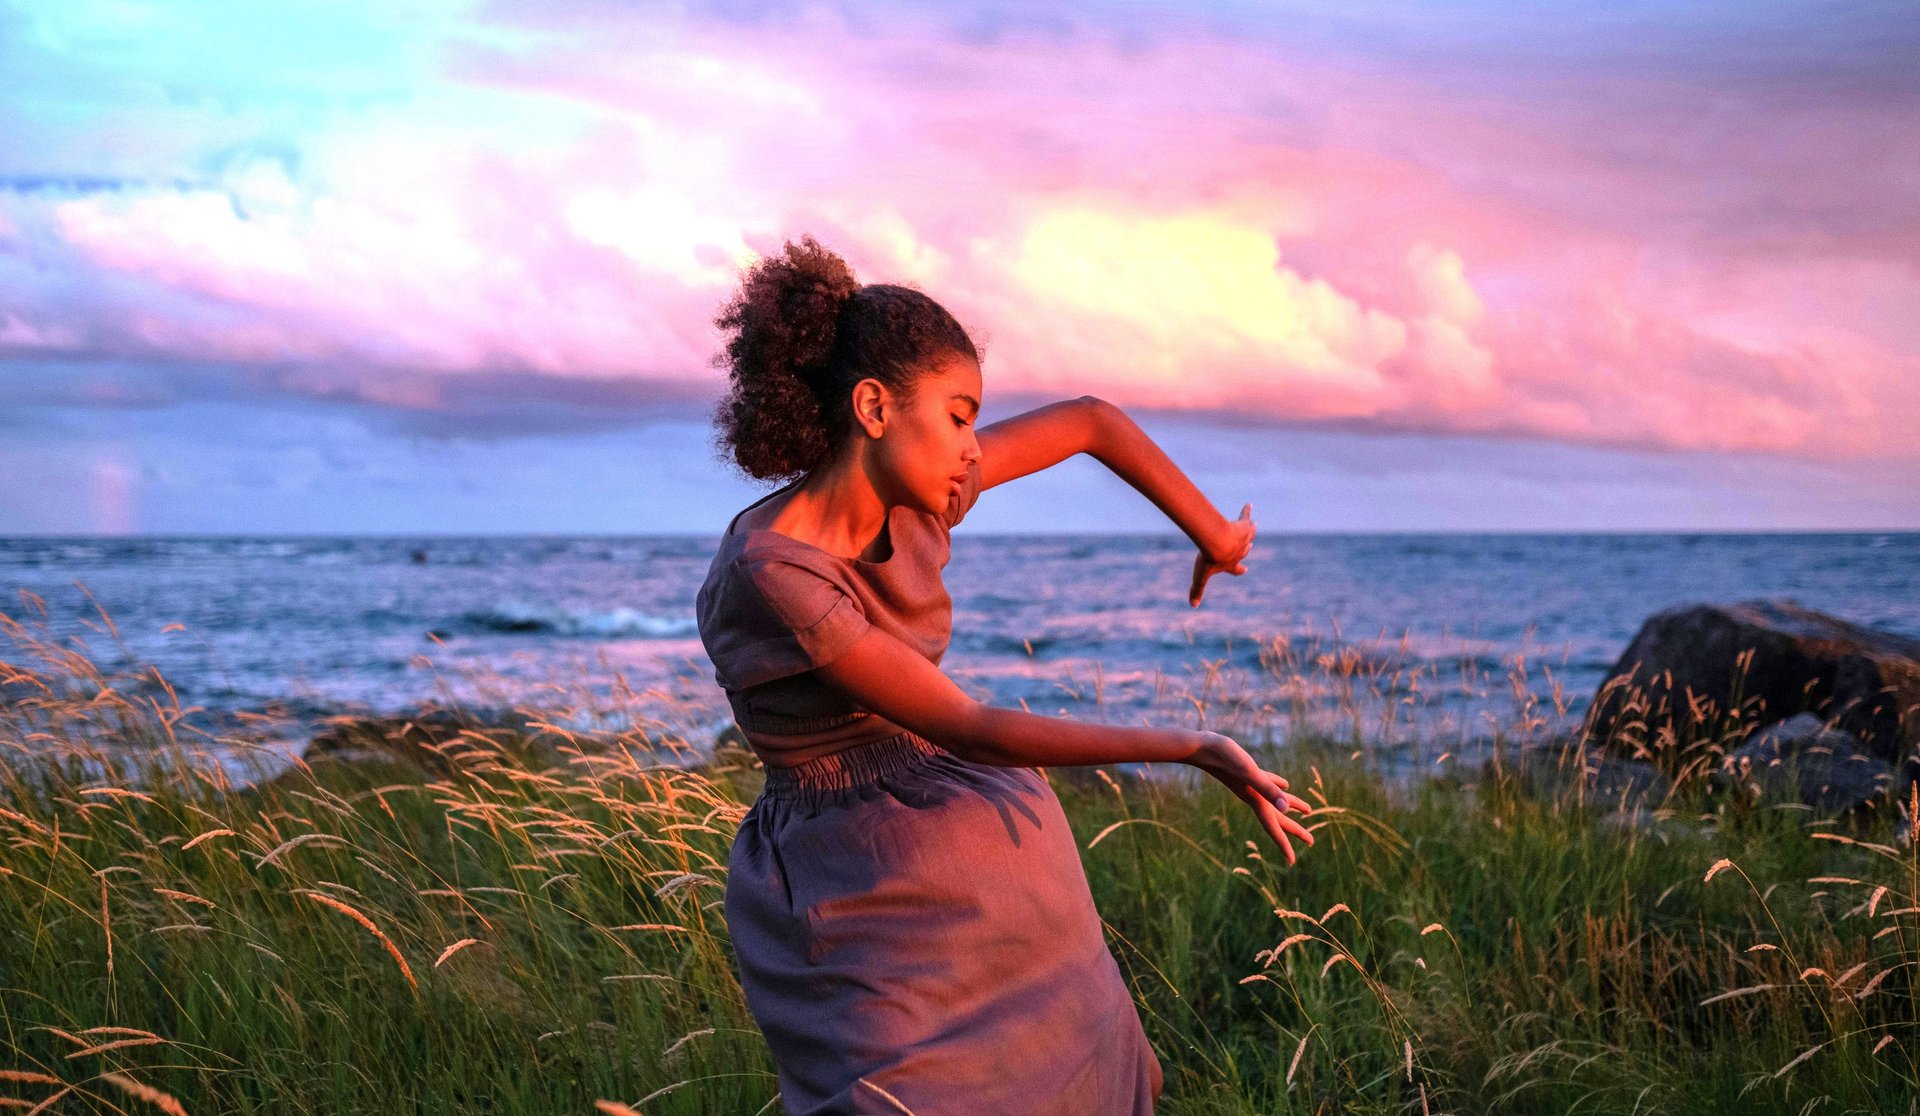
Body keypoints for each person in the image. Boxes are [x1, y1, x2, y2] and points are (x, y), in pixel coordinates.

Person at [695, 235, 1316, 1115]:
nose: (970, 447)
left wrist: (1214, 533)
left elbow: (1091, 421)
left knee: (1047, 1074)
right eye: (959, 416)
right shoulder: (774, 571)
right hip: (867, 880)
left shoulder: (919, 492)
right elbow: (971, 727)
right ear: (873, 406)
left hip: (972, 861)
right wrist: (1191, 745)